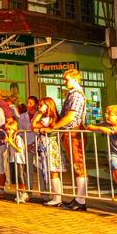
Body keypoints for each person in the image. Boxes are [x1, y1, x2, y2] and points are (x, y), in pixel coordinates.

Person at [48, 69, 88, 211]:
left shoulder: (76, 95)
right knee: (77, 165)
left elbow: (71, 116)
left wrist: (54, 127)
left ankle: (81, 200)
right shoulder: (73, 94)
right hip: (71, 132)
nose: (65, 82)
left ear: (75, 79)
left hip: (74, 132)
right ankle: (79, 199)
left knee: (78, 165)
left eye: (66, 79)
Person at [87, 104, 117, 212]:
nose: (106, 115)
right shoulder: (106, 125)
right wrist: (101, 128)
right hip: (116, 154)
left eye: (110, 114)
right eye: (106, 113)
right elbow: (89, 126)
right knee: (116, 167)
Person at [32, 97, 65, 207]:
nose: (39, 107)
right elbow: (33, 125)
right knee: (49, 171)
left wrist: (40, 124)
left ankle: (58, 197)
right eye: (39, 105)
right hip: (44, 145)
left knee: (53, 171)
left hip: (52, 146)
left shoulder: (53, 118)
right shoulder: (43, 116)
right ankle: (55, 196)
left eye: (42, 105)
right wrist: (39, 113)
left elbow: (37, 125)